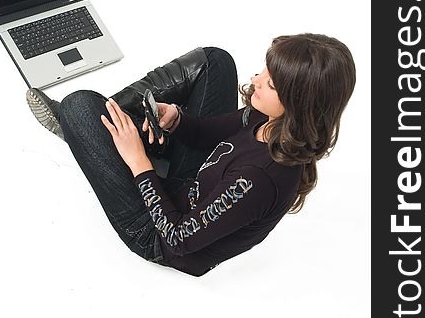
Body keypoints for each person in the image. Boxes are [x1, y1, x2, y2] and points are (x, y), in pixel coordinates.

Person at [26, 34, 356, 277]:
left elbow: (179, 239)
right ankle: (103, 128)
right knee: (215, 60)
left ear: (298, 105)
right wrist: (177, 119)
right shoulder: (269, 121)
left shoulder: (259, 179)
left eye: (269, 85)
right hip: (194, 186)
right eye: (262, 73)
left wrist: (139, 162)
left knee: (79, 105)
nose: (255, 81)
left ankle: (83, 129)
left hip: (160, 235)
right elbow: (209, 133)